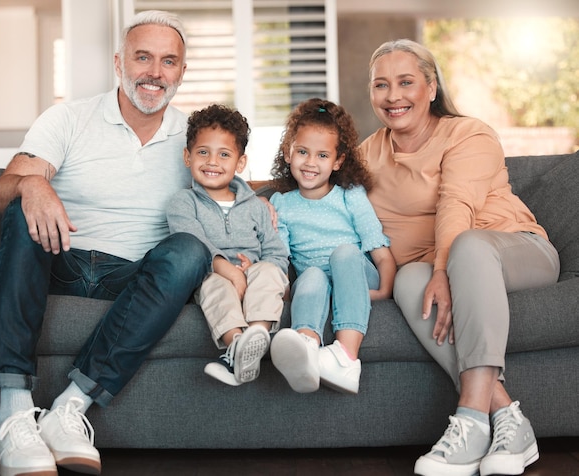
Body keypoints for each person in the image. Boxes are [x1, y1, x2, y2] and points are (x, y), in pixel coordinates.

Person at [0, 11, 211, 476]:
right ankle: (13, 414)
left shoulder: (195, 140)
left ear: (182, 73)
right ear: (119, 62)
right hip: (58, 259)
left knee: (190, 250)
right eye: (142, 57)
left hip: (132, 277)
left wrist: (266, 211)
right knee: (20, 203)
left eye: (168, 61)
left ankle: (69, 409)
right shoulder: (68, 118)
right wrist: (32, 185)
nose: (154, 72)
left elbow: (230, 199)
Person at [360, 39, 560, 476]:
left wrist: (442, 269)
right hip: (440, 265)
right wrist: (261, 203)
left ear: (431, 88)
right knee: (409, 281)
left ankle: (470, 420)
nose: (393, 96)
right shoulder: (367, 153)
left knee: (466, 246)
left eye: (406, 82)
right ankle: (509, 418)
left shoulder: (469, 133)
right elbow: (317, 184)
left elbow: (457, 206)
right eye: (381, 85)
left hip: (514, 249)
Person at [268, 98, 396, 395]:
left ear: (338, 161)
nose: (310, 163)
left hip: (356, 274)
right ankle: (307, 348)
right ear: (288, 153)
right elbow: (278, 258)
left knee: (344, 253)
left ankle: (346, 357)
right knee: (310, 275)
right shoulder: (282, 205)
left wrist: (385, 290)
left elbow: (381, 254)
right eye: (302, 152)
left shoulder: (350, 195)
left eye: (322, 155)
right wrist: (282, 290)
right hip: (318, 284)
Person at [166, 104, 289, 387]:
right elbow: (191, 240)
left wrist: (256, 268)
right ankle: (236, 346)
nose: (212, 161)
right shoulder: (182, 203)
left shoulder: (255, 206)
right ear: (188, 156)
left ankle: (256, 337)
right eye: (203, 152)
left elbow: (275, 250)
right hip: (210, 274)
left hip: (254, 273)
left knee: (269, 271)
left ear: (240, 163)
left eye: (224, 154)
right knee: (213, 285)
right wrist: (227, 270)